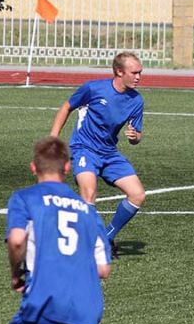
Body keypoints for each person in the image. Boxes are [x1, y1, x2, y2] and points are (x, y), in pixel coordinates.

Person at [0, 136, 111, 324]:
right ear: (67, 168)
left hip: (46, 299)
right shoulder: (87, 210)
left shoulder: (25, 198)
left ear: (33, 167)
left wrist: (15, 274)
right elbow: (103, 268)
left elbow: (16, 240)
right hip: (85, 306)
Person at [51, 52, 146, 257]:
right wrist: (53, 138)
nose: (139, 77)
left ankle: (106, 237)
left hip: (110, 153)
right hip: (84, 149)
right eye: (134, 73)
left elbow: (136, 136)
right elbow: (67, 107)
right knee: (89, 193)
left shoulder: (137, 100)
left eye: (140, 72)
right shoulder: (93, 89)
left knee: (137, 194)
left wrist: (135, 137)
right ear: (119, 72)